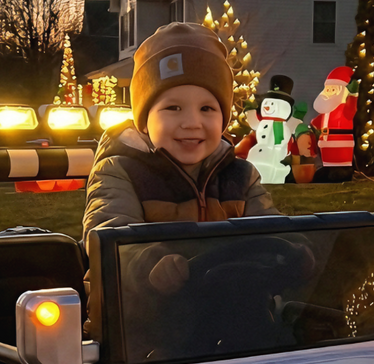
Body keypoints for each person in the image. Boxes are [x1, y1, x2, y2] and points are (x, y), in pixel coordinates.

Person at [83, 22, 278, 295]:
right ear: (144, 121)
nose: (192, 122)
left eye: (207, 108)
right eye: (173, 107)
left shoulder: (241, 176)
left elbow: (272, 230)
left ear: (223, 118)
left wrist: (295, 249)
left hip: (227, 310)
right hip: (140, 320)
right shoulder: (120, 171)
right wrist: (150, 262)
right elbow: (108, 236)